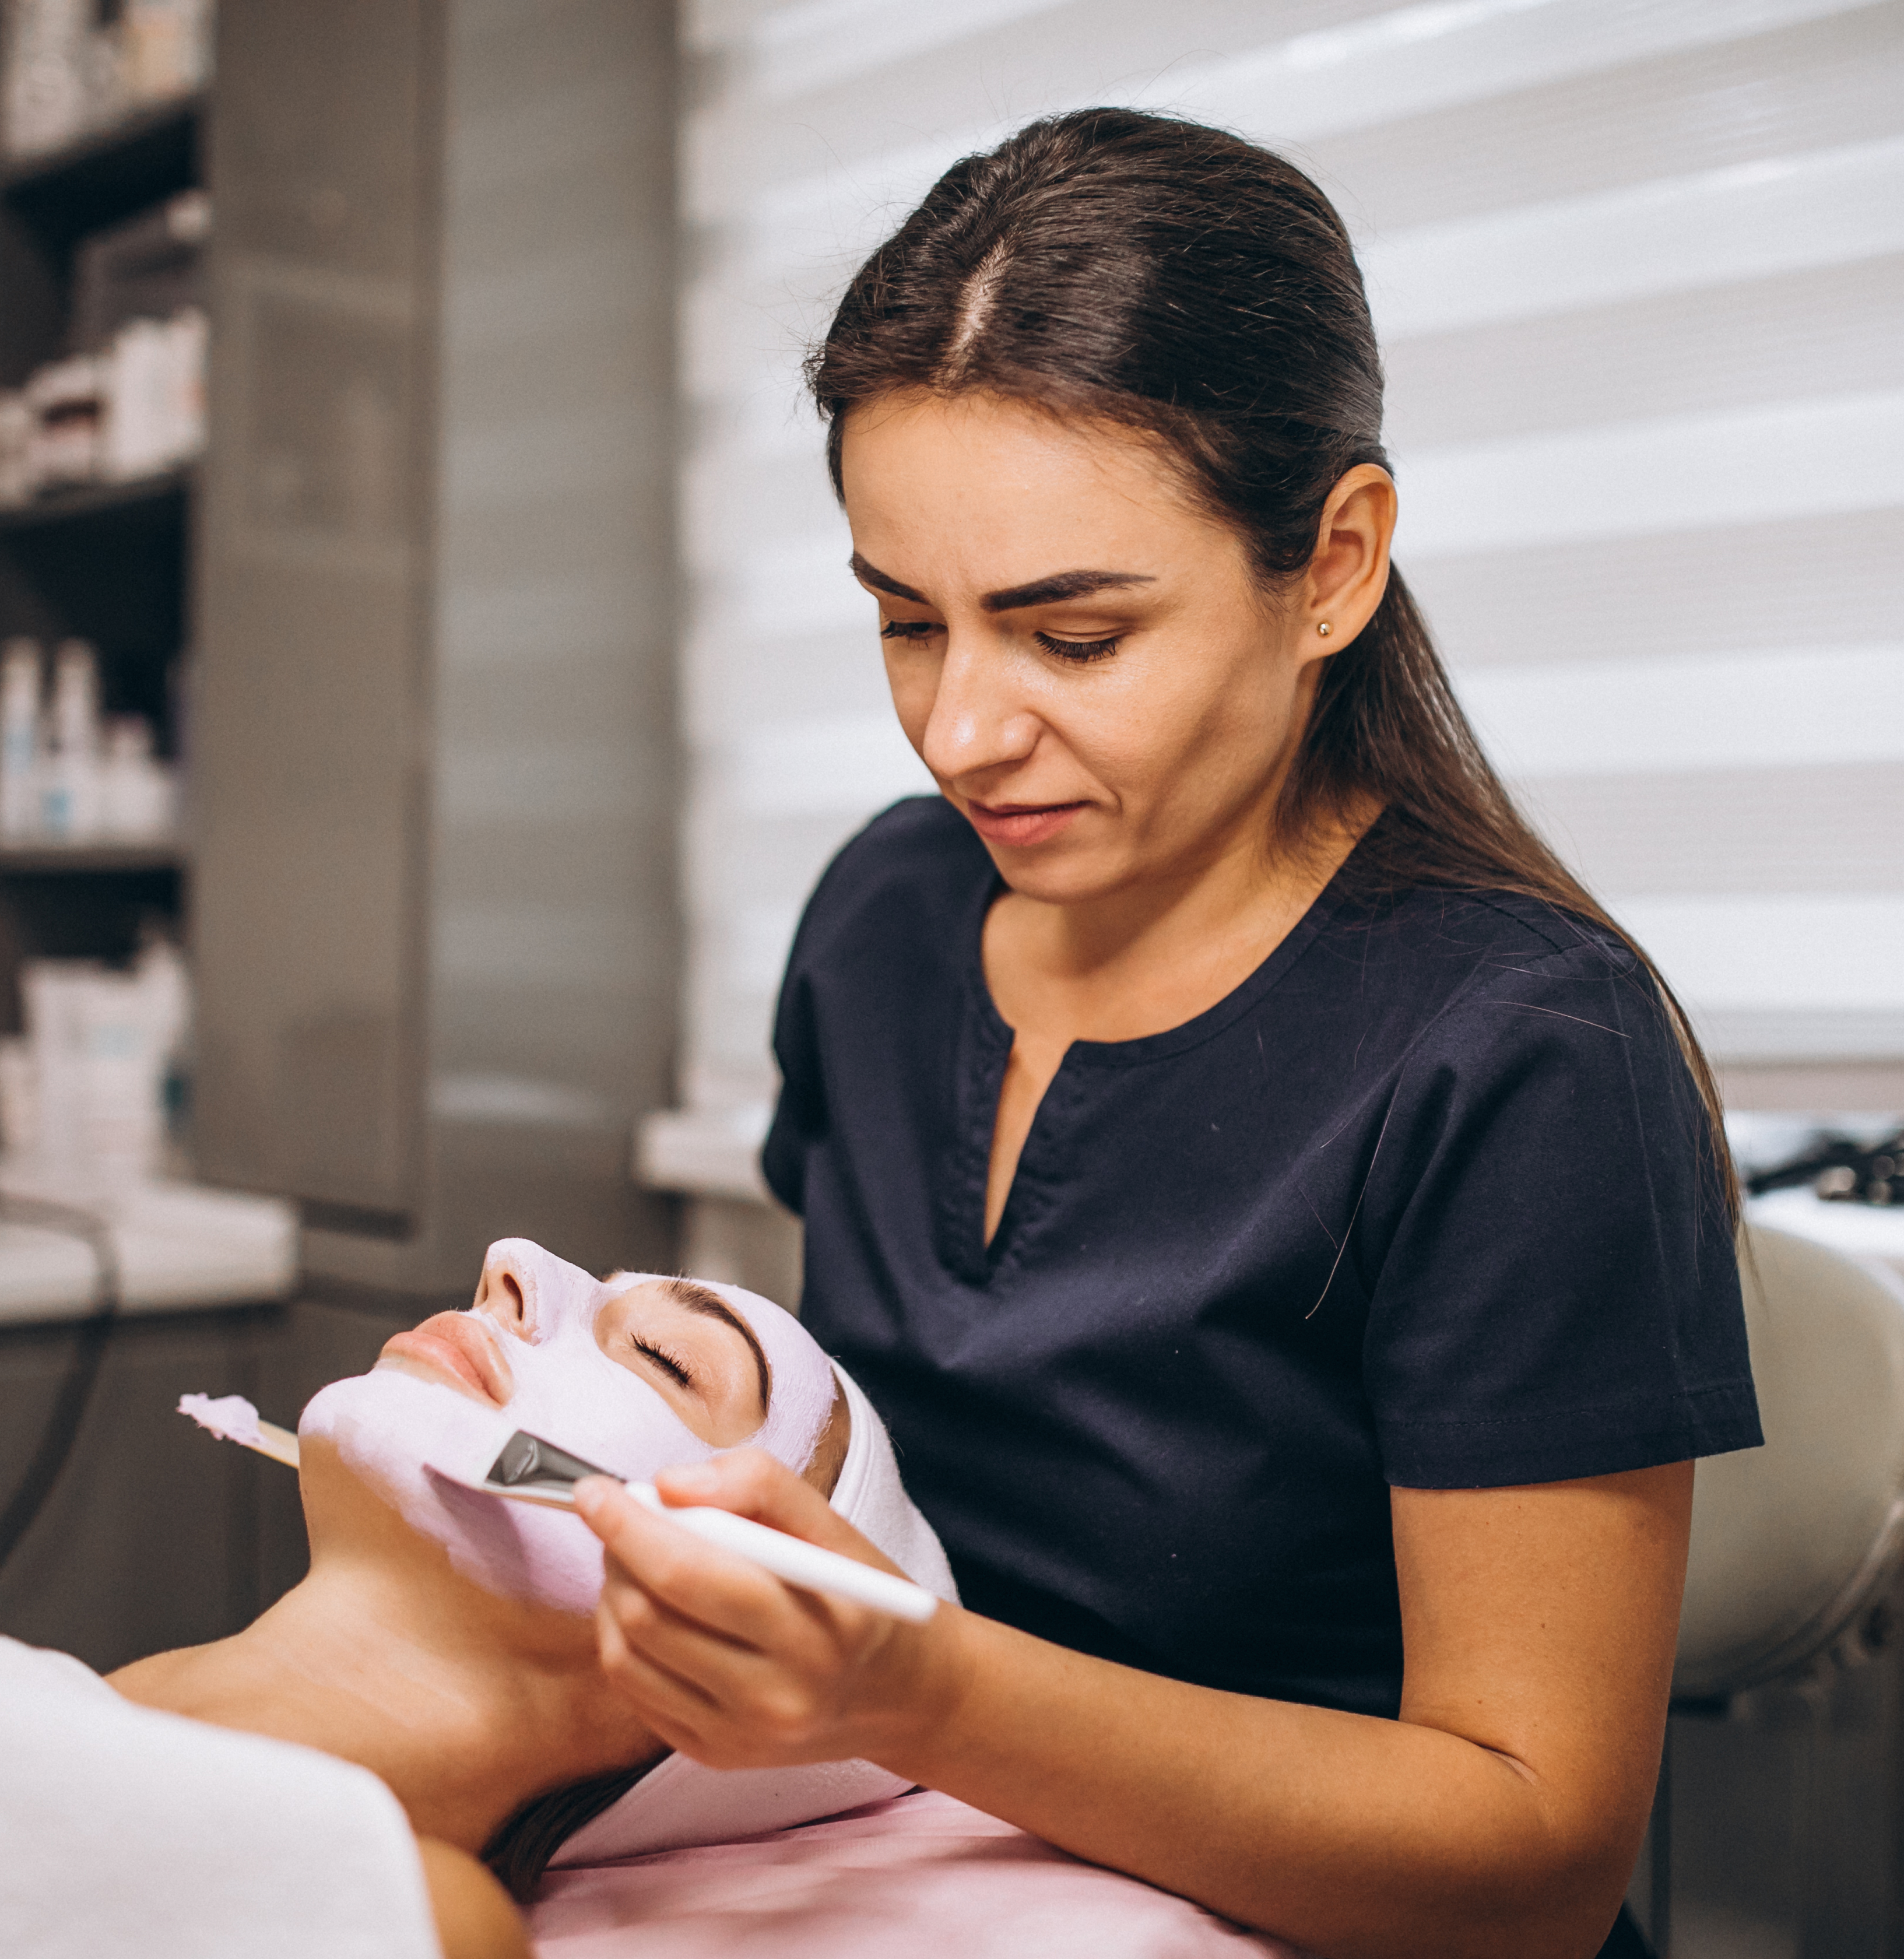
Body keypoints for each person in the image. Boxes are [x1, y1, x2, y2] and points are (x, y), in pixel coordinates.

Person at [571, 108, 1762, 1959]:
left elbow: (1531, 1860)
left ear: (1336, 565)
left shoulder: (1520, 1056)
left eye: (1073, 637)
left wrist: (924, 1695)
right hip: (910, 1879)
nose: (961, 730)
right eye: (906, 622)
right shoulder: (889, 921)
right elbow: (897, 1473)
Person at [111, 1236, 944, 1943]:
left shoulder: (393, 1919)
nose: (511, 1262)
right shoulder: (9, 1689)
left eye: (668, 1360)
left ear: (706, 1651)